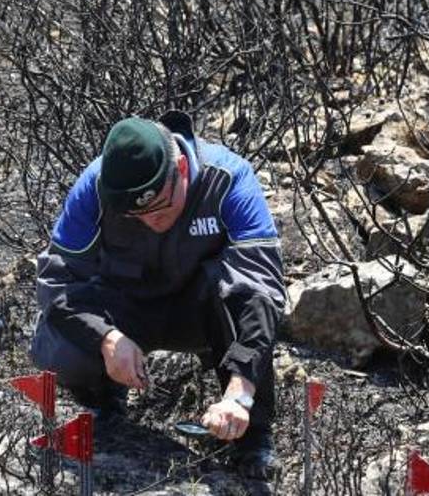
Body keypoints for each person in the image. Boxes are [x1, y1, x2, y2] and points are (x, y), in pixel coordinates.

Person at [29, 110, 286, 483]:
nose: (153, 220)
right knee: (62, 347)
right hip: (124, 308)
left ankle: (252, 436)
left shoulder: (229, 178)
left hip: (200, 311)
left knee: (242, 295)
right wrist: (106, 337)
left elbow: (260, 288)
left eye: (162, 206)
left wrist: (242, 387)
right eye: (138, 215)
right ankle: (104, 399)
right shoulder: (95, 187)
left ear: (181, 167)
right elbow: (57, 282)